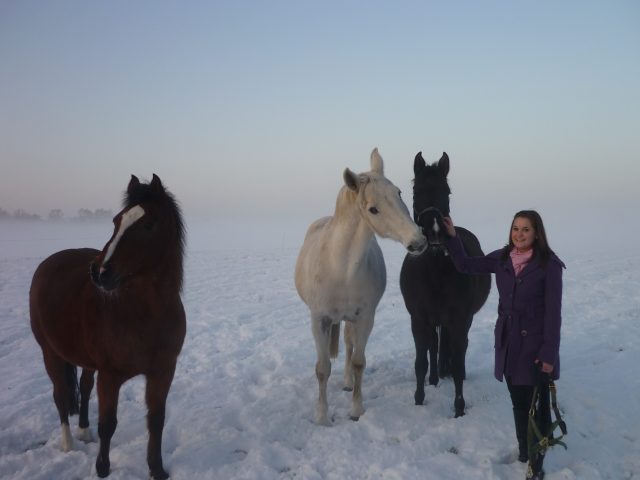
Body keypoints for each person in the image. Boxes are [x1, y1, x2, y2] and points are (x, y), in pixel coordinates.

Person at [443, 210, 565, 480]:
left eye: (525, 230)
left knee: (537, 405)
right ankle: (525, 450)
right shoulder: (502, 258)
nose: (519, 234)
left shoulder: (549, 265)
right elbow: (466, 265)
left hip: (535, 345)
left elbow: (553, 314)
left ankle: (536, 460)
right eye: (515, 228)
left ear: (536, 234)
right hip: (509, 342)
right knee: (518, 402)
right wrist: (452, 237)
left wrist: (548, 354)